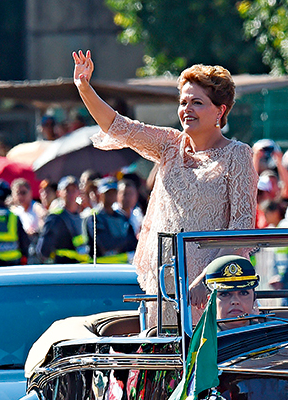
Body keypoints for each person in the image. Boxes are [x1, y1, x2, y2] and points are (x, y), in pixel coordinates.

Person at [73, 50, 257, 320]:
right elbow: (118, 126)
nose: (187, 110)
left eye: (197, 102)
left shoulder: (237, 155)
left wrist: (208, 279)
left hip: (216, 286)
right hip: (167, 281)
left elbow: (241, 227)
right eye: (183, 102)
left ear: (220, 110)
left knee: (207, 358)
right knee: (163, 359)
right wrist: (84, 87)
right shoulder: (170, 144)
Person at [83, 178, 137, 263]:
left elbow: (133, 242)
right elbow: (105, 244)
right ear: (100, 194)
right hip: (100, 267)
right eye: (108, 193)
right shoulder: (94, 217)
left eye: (114, 192)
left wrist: (119, 243)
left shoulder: (121, 217)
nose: (111, 196)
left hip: (121, 266)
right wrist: (123, 241)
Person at [36, 176, 88, 263]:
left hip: (81, 268)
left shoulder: (82, 216)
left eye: (74, 190)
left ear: (79, 193)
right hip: (63, 269)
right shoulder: (55, 218)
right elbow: (43, 251)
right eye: (67, 190)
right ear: (59, 193)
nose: (71, 194)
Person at [202, 255, 260, 331]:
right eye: (225, 294)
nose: (235, 301)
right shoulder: (201, 340)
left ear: (254, 298)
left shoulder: (269, 335)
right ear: (211, 301)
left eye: (243, 293)